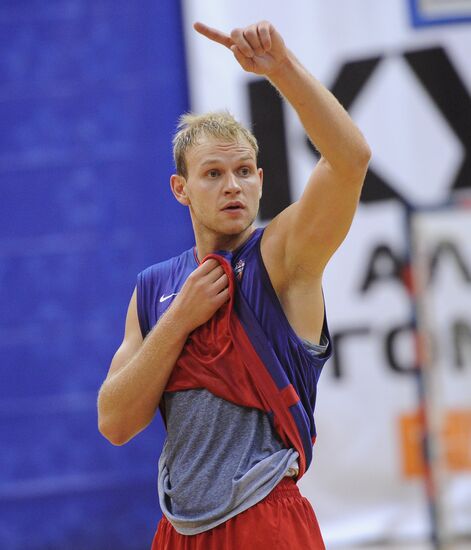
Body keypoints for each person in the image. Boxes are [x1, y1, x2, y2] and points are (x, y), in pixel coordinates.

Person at [97, 20, 371, 549]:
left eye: (244, 171)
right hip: (179, 528)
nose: (233, 186)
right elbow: (114, 421)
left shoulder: (282, 256)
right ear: (181, 189)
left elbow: (351, 160)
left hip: (266, 518)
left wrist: (281, 69)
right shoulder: (155, 289)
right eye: (214, 174)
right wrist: (180, 319)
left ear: (261, 180)